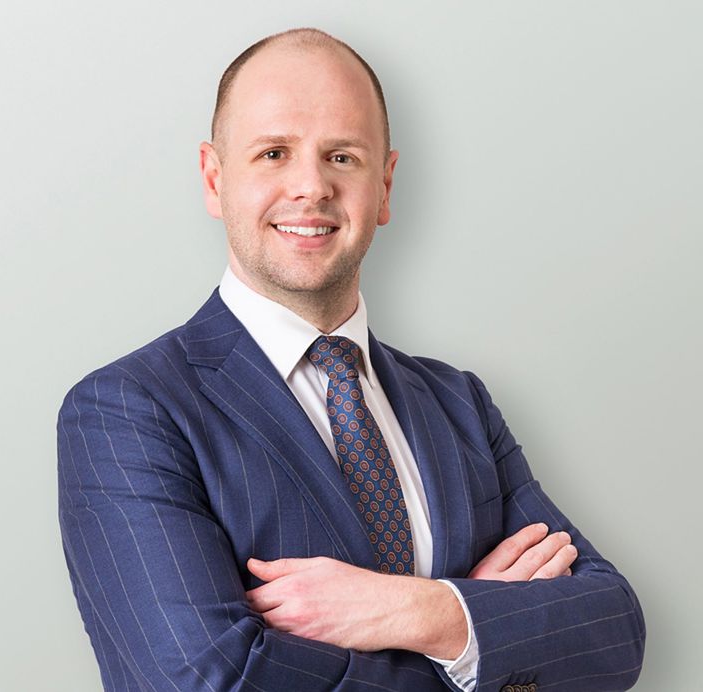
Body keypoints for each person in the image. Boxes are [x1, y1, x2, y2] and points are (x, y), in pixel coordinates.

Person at [57, 28, 645, 692]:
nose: (311, 187)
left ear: (384, 185)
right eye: (273, 153)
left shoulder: (460, 403)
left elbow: (614, 632)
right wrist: (476, 637)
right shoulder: (126, 411)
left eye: (342, 156)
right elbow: (207, 679)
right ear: (215, 180)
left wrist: (416, 611)